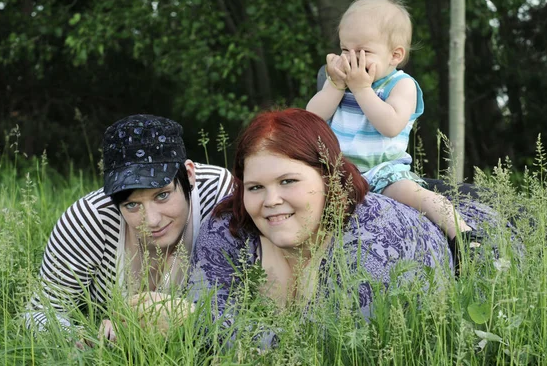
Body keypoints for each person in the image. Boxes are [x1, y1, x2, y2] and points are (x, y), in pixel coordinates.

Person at [188, 109, 495, 334]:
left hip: (485, 223)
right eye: (256, 187)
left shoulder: (376, 237)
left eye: (287, 181)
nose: (270, 201)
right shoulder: (227, 227)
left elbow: (330, 346)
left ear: (327, 177)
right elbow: (205, 325)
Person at [26, 114, 233, 342]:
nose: (152, 220)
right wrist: (87, 337)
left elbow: (247, 294)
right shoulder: (89, 220)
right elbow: (39, 313)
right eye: (132, 204)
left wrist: (188, 317)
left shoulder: (218, 194)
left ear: (190, 175)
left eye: (162, 195)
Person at [306, 0, 472, 241]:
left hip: (384, 171)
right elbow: (312, 120)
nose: (352, 59)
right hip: (337, 170)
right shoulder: (341, 82)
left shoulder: (401, 85)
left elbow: (391, 125)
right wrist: (335, 85)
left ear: (394, 55)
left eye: (363, 51)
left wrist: (362, 90)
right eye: (344, 49)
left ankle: (463, 235)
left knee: (415, 195)